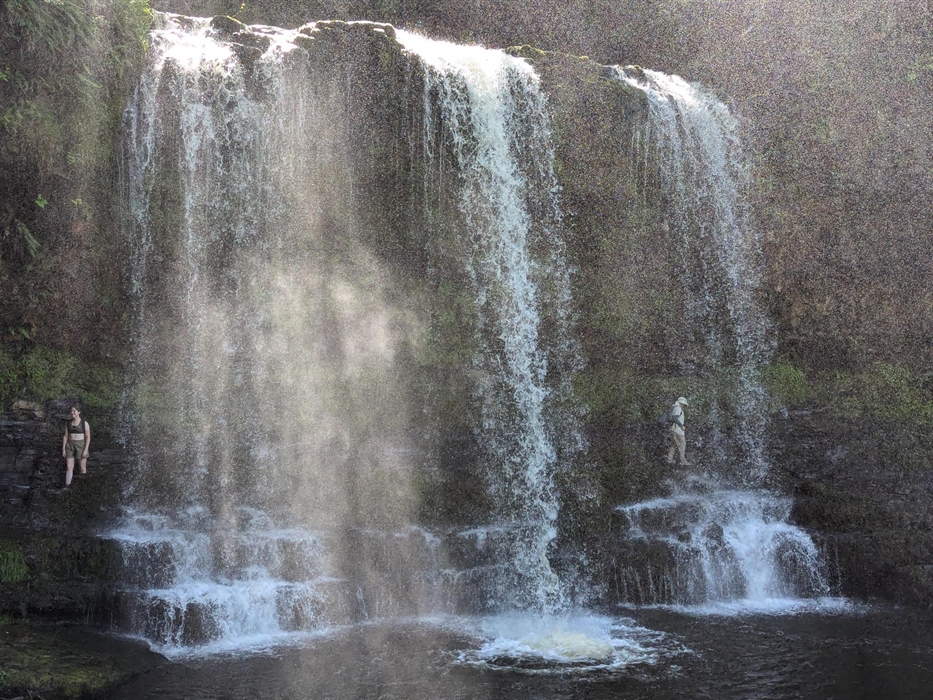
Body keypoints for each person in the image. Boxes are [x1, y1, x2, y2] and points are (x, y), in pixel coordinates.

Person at [62, 405, 90, 487]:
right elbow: (65, 436)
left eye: (74, 411)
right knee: (69, 467)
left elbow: (88, 437)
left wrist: (85, 449)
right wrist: (63, 449)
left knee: (82, 467)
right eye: (71, 411)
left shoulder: (84, 423)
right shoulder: (68, 423)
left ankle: (83, 486)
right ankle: (67, 486)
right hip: (70, 445)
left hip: (81, 445)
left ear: (79, 412)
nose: (72, 413)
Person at [666, 396, 690, 466]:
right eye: (683, 404)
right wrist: (681, 425)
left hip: (675, 430)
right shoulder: (678, 408)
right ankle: (682, 460)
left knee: (674, 444)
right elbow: (675, 418)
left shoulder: (675, 408)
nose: (684, 405)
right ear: (681, 403)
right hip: (678, 430)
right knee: (682, 444)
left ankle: (669, 459)